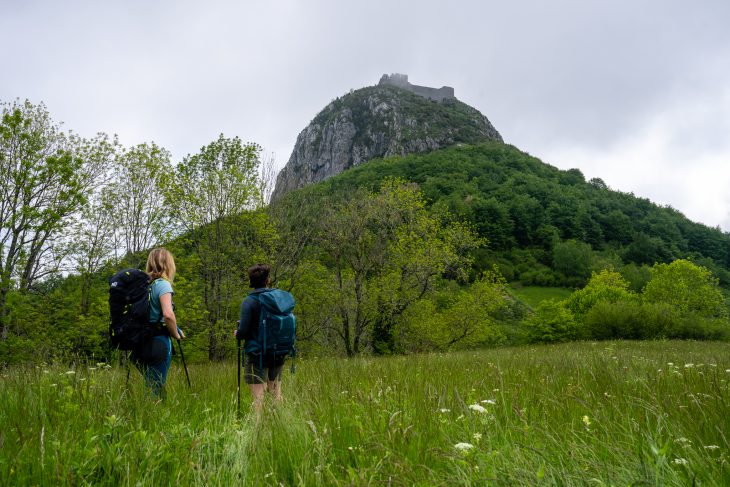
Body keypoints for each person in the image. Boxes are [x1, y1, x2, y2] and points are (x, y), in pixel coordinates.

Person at [131, 247, 184, 397]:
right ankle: (149, 417)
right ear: (168, 264)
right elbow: (168, 315)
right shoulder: (163, 284)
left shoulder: (142, 286)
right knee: (154, 390)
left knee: (154, 386)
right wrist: (176, 334)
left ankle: (153, 415)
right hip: (158, 343)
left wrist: (176, 328)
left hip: (138, 345)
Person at [234, 263, 284, 410]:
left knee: (258, 399)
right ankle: (281, 427)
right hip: (277, 352)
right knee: (276, 395)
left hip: (256, 354)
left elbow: (242, 332)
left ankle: (259, 429)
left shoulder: (249, 302)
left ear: (251, 282)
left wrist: (237, 333)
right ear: (267, 280)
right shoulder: (278, 298)